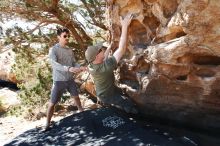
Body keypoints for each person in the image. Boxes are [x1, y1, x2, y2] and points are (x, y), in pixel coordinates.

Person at [85, 14, 138, 114]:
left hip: (107, 90)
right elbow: (121, 49)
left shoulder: (92, 65)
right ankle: (133, 117)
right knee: (127, 103)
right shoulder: (105, 67)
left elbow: (102, 58)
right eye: (100, 49)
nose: (102, 49)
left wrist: (108, 48)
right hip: (107, 95)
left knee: (121, 93)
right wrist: (125, 25)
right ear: (96, 56)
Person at [45, 28, 86, 130]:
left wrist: (79, 67)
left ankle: (82, 113)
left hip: (70, 79)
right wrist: (68, 68)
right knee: (52, 103)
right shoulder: (53, 50)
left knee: (76, 97)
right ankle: (47, 123)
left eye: (68, 36)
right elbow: (55, 65)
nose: (67, 38)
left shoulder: (69, 50)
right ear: (58, 37)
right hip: (58, 81)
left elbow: (73, 62)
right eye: (65, 36)